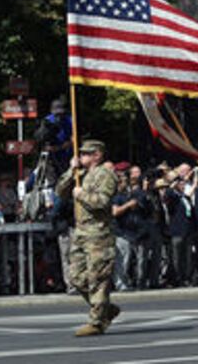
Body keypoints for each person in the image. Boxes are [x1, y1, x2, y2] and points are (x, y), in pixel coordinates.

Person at [54, 139, 120, 337]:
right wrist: (70, 171)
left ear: (97, 155)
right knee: (76, 276)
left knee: (97, 278)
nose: (80, 156)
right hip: (81, 232)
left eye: (85, 154)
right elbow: (60, 191)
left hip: (98, 233)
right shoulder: (80, 175)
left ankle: (97, 321)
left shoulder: (105, 174)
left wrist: (81, 194)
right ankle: (105, 308)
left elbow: (102, 202)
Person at [165, 167, 197, 287]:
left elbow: (191, 214)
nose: (182, 185)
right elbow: (167, 197)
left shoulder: (185, 197)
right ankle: (176, 278)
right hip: (177, 232)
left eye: (183, 183)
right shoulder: (172, 195)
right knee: (176, 258)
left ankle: (186, 277)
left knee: (187, 257)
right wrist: (172, 185)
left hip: (188, 231)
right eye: (180, 183)